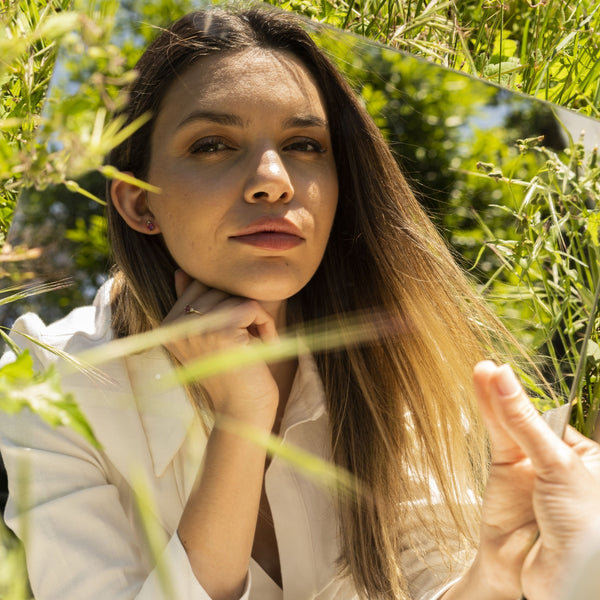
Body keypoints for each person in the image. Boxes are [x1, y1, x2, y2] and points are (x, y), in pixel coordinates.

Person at [1, 7, 599, 600]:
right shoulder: (43, 387)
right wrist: (241, 421)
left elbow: (426, 581)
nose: (273, 179)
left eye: (304, 144)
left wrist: (494, 575)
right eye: (212, 144)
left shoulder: (385, 364)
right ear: (138, 204)